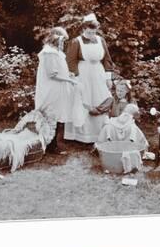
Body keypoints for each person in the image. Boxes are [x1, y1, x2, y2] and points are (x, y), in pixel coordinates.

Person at [64, 13, 116, 144]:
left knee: (101, 98)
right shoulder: (77, 42)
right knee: (84, 101)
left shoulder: (101, 40)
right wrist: (75, 77)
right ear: (84, 28)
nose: (92, 32)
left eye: (95, 29)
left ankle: (100, 133)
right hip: (83, 75)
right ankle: (82, 136)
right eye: (89, 29)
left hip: (98, 73)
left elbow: (107, 59)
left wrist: (108, 77)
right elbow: (70, 61)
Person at [35, 26, 78, 154]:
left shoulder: (55, 52)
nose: (63, 43)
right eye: (62, 40)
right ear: (56, 38)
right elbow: (51, 74)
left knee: (59, 114)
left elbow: (58, 69)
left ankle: (54, 144)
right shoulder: (48, 52)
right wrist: (69, 80)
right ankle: (50, 145)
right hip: (51, 88)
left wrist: (68, 73)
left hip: (58, 87)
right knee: (51, 114)